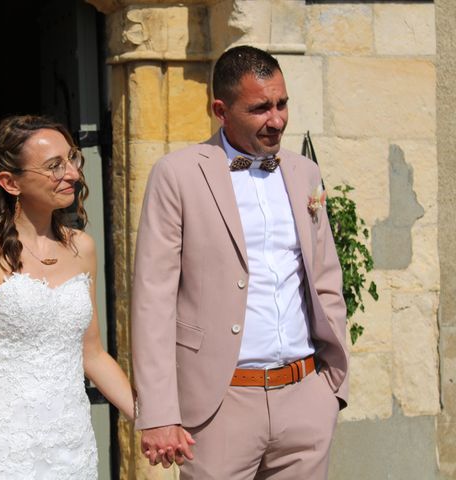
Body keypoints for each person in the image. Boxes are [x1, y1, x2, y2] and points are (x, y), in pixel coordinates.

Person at [131, 45, 348, 479]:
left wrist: (330, 387)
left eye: (282, 103)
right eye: (260, 108)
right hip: (219, 405)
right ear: (221, 109)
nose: (277, 119)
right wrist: (158, 410)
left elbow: (325, 277)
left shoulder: (304, 172)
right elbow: (153, 298)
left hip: (306, 395)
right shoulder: (178, 174)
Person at [0, 114, 134, 480]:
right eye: (54, 166)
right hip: (5, 452)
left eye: (71, 159)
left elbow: (92, 353)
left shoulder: (82, 247)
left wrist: (150, 418)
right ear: (9, 181)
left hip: (73, 446)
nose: (72, 174)